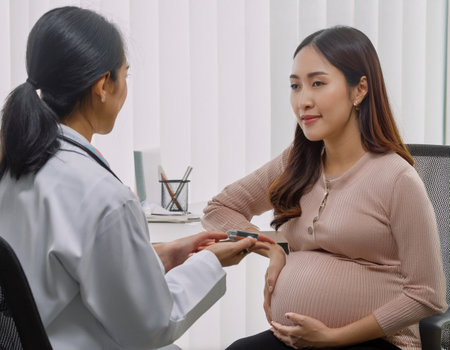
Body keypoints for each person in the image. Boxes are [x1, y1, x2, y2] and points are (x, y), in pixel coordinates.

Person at [0, 6, 273, 350]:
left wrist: (161, 255)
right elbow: (152, 326)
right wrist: (210, 261)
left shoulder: (14, 163)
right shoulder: (102, 197)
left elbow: (64, 277)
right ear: (103, 84)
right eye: (125, 75)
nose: (125, 88)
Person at [201, 26, 447, 349]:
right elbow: (220, 209)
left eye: (317, 83)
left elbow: (428, 295)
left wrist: (332, 338)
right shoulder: (297, 162)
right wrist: (271, 249)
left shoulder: (397, 179)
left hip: (377, 341)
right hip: (298, 340)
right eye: (295, 86)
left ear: (359, 90)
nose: (303, 100)